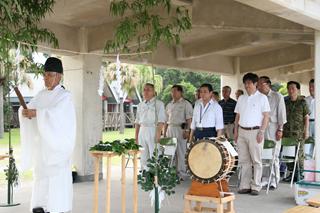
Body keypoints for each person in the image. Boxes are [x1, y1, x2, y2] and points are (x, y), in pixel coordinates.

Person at [19, 57, 76, 213]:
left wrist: (37, 113)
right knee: (41, 178)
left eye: (50, 75)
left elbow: (56, 115)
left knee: (56, 182)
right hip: (43, 150)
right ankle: (40, 207)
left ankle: (57, 208)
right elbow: (31, 108)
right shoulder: (41, 95)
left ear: (59, 76)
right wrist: (24, 112)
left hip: (57, 150)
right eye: (44, 75)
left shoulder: (65, 96)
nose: (46, 78)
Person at [234, 73, 270, 196]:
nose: (247, 85)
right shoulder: (241, 98)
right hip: (242, 131)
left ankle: (256, 186)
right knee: (244, 160)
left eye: (249, 83)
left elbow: (266, 116)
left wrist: (262, 131)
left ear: (255, 84)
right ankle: (245, 185)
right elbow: (237, 116)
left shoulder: (262, 98)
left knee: (256, 160)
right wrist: (235, 131)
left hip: (255, 131)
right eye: (245, 83)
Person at [258, 76, 286, 190]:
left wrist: (280, 129)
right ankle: (265, 178)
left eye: (260, 84)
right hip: (262, 127)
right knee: (263, 154)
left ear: (267, 84)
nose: (258, 86)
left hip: (273, 127)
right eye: (258, 84)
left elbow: (282, 114)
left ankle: (274, 179)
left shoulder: (277, 96)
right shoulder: (259, 97)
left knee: (274, 154)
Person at [164, 85, 193, 180]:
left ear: (181, 92)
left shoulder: (186, 104)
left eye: (175, 91)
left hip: (181, 129)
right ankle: (170, 172)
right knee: (169, 151)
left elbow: (189, 119)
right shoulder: (169, 104)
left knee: (181, 152)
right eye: (172, 92)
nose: (173, 93)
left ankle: (182, 173)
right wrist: (164, 134)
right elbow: (166, 120)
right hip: (170, 129)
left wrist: (188, 131)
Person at [135, 83, 166, 170]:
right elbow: (137, 122)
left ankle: (156, 177)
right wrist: (136, 138)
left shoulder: (159, 104)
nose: (146, 92)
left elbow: (161, 121)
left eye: (148, 90)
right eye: (144, 90)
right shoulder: (140, 105)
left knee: (155, 154)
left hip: (153, 129)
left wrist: (158, 135)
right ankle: (144, 175)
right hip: (142, 130)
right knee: (143, 155)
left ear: (153, 92)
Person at [283, 81, 309, 181]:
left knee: (299, 155)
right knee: (287, 155)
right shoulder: (285, 102)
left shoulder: (302, 102)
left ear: (297, 90)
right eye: (289, 88)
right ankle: (291, 174)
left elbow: (306, 117)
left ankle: (300, 174)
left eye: (293, 88)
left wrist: (306, 131)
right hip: (287, 132)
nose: (290, 90)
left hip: (299, 133)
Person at [305, 79, 315, 157]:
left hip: (317, 123)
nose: (311, 88)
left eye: (313, 86)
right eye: (310, 86)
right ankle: (309, 161)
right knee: (307, 144)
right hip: (307, 123)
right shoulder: (305, 100)